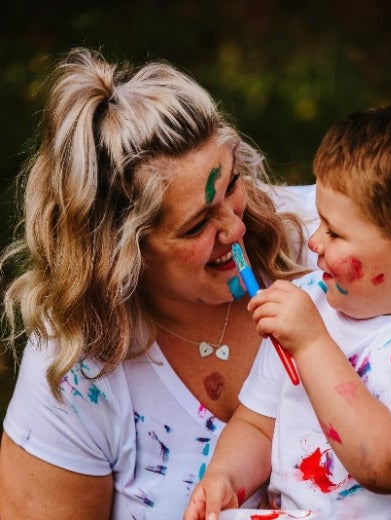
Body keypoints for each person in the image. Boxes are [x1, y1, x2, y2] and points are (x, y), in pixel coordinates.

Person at [0, 47, 319, 519]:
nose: (235, 230)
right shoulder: (77, 369)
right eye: (195, 227)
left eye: (232, 184)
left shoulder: (328, 238)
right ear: (119, 253)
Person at [184, 100, 391, 520]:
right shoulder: (310, 299)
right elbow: (257, 424)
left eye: (335, 232)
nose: (314, 243)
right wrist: (224, 478)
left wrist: (310, 344)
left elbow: (386, 464)